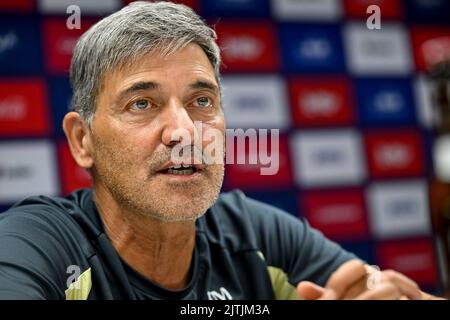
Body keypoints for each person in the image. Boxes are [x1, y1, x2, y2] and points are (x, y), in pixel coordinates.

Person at [0, 1, 441, 300]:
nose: (184, 130)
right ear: (83, 140)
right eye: (142, 103)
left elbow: (363, 288)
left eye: (202, 101)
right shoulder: (37, 242)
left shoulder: (252, 233)